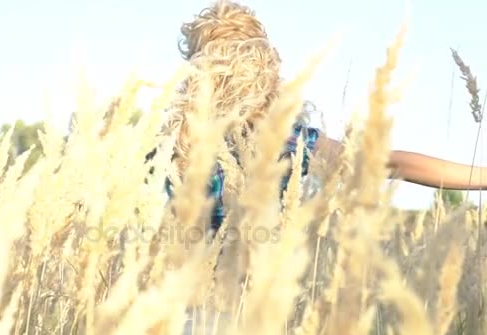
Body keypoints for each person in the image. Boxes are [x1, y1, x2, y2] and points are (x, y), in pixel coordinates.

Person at [147, 0, 487, 233]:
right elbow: (385, 163)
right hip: (252, 302)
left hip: (178, 303)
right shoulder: (283, 140)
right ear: (263, 70)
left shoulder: (169, 136)